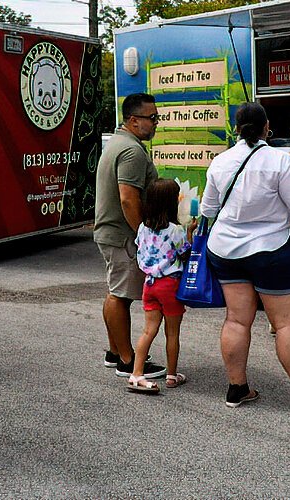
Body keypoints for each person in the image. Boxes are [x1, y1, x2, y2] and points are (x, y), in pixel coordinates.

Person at [200, 102, 290, 416]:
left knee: (237, 320)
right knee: (286, 325)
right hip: (271, 251)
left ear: (237, 129)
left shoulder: (220, 162)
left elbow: (208, 210)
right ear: (267, 127)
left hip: (226, 250)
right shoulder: (279, 161)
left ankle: (237, 388)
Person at [93, 93, 167, 379]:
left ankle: (115, 351)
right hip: (122, 234)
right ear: (134, 120)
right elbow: (127, 199)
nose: (155, 123)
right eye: (152, 118)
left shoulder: (119, 143)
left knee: (115, 292)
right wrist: (144, 235)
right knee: (120, 295)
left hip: (112, 232)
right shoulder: (132, 151)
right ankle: (127, 359)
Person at [126, 179, 196, 393]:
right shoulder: (176, 230)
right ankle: (172, 375)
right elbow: (185, 253)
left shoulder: (142, 228)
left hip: (149, 284)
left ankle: (137, 373)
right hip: (170, 286)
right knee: (172, 333)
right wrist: (190, 232)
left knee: (148, 330)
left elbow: (141, 250)